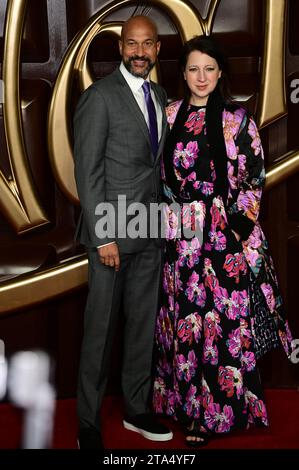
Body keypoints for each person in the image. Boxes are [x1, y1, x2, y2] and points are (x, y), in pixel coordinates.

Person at [152, 35, 294, 447]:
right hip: (180, 234)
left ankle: (216, 415)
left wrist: (236, 227)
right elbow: (155, 172)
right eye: (193, 69)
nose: (201, 77)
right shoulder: (168, 113)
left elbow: (254, 175)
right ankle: (184, 408)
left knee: (223, 326)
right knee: (184, 323)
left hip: (223, 237)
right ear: (182, 73)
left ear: (221, 73)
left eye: (209, 69)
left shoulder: (238, 119)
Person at [73, 15, 173, 449]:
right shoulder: (99, 97)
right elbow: (88, 172)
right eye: (131, 44)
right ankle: (87, 422)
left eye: (147, 44)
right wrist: (103, 236)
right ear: (120, 49)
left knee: (141, 328)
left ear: (157, 51)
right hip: (112, 234)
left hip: (150, 231)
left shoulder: (161, 94)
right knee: (100, 330)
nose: (138, 51)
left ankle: (136, 408)